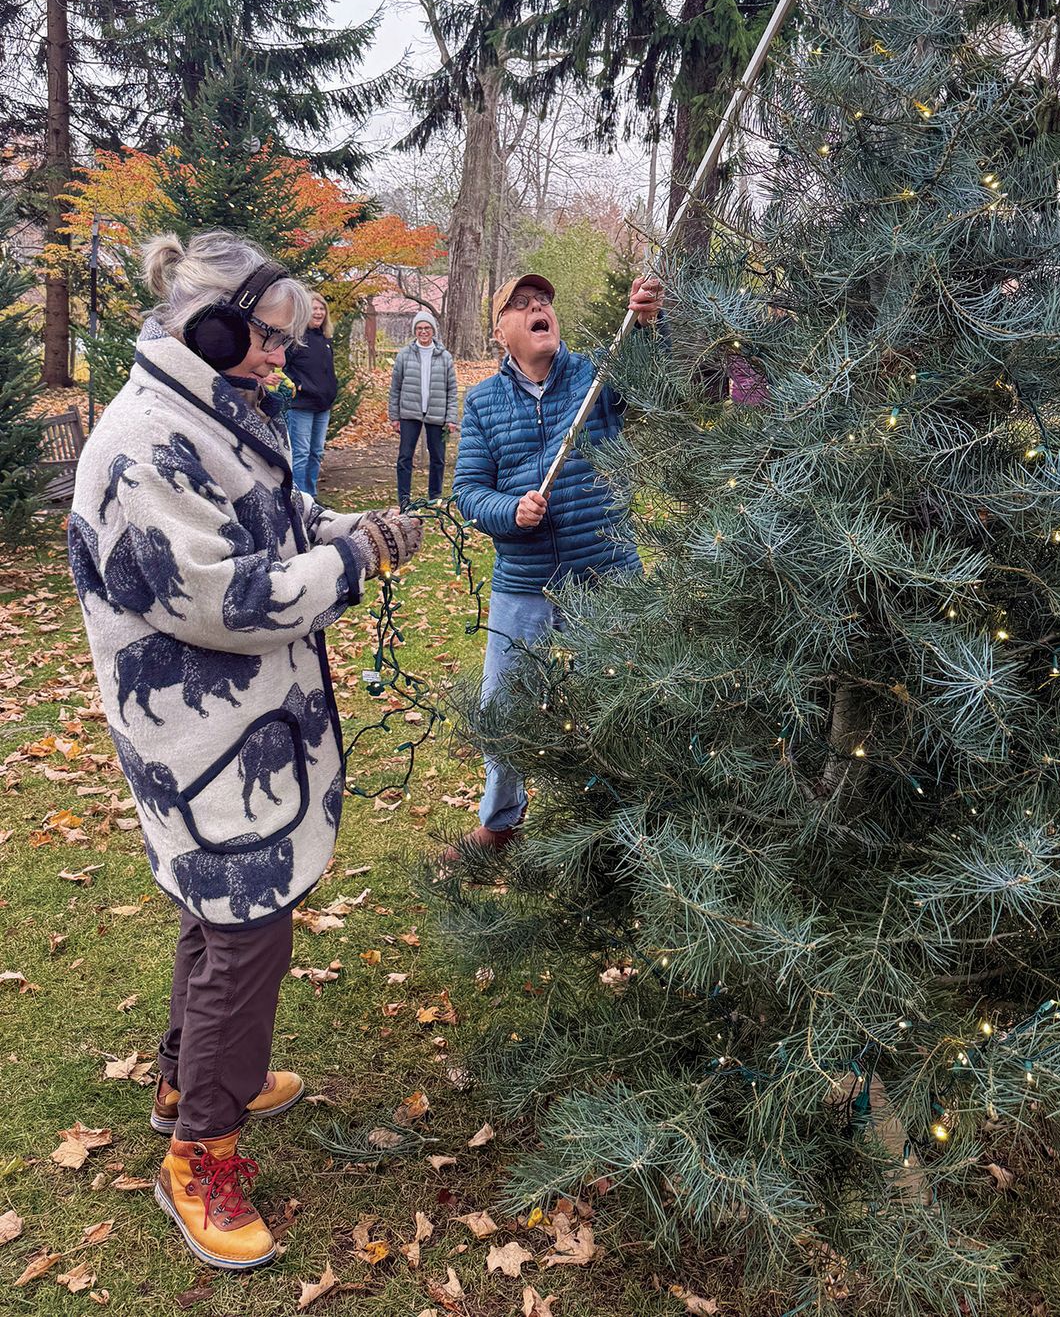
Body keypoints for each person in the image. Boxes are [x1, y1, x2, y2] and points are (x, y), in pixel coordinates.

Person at [66, 230, 422, 1273]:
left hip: (244, 730)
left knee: (218, 920)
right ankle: (201, 1152)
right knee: (248, 932)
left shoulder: (211, 415)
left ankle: (192, 1076)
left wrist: (360, 526)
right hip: (204, 740)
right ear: (211, 326)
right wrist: (348, 565)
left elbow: (280, 517)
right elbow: (223, 597)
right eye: (272, 341)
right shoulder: (142, 443)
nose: (283, 362)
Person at [451, 269, 663, 855]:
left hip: (606, 570)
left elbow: (651, 383)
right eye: (521, 305)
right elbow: (468, 491)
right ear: (501, 332)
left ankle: (625, 821)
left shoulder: (595, 377)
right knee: (505, 706)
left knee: (622, 693)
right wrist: (508, 510)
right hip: (524, 582)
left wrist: (646, 326)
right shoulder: (483, 403)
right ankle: (499, 825)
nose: (538, 307)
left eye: (544, 300)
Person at [388, 310, 459, 510]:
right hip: (409, 413)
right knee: (404, 457)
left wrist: (451, 418)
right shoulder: (404, 355)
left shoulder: (445, 357)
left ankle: (435, 497)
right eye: (419, 328)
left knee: (438, 457)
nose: (423, 331)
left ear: (433, 331)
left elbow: (452, 389)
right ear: (415, 331)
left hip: (437, 414)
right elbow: (395, 387)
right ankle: (404, 498)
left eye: (427, 328)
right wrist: (394, 416)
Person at [284, 290, 337, 496]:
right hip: (301, 406)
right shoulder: (295, 339)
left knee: (316, 453)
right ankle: (300, 498)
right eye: (314, 308)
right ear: (304, 311)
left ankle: (312, 496)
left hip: (323, 406)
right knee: (301, 454)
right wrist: (296, 383)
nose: (318, 312)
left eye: (321, 308)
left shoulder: (325, 340)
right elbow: (281, 367)